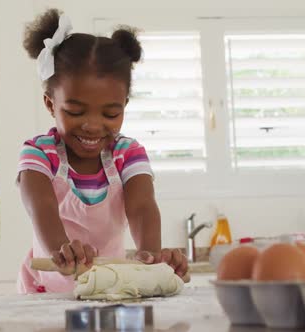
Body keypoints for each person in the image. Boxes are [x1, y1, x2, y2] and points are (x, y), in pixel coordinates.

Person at [16, 8, 189, 294]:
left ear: (124, 105)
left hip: (110, 288)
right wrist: (62, 250)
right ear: (50, 105)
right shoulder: (39, 153)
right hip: (48, 291)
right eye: (75, 111)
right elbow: (41, 207)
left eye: (110, 114)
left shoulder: (128, 153)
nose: (93, 126)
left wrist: (151, 260)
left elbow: (142, 207)